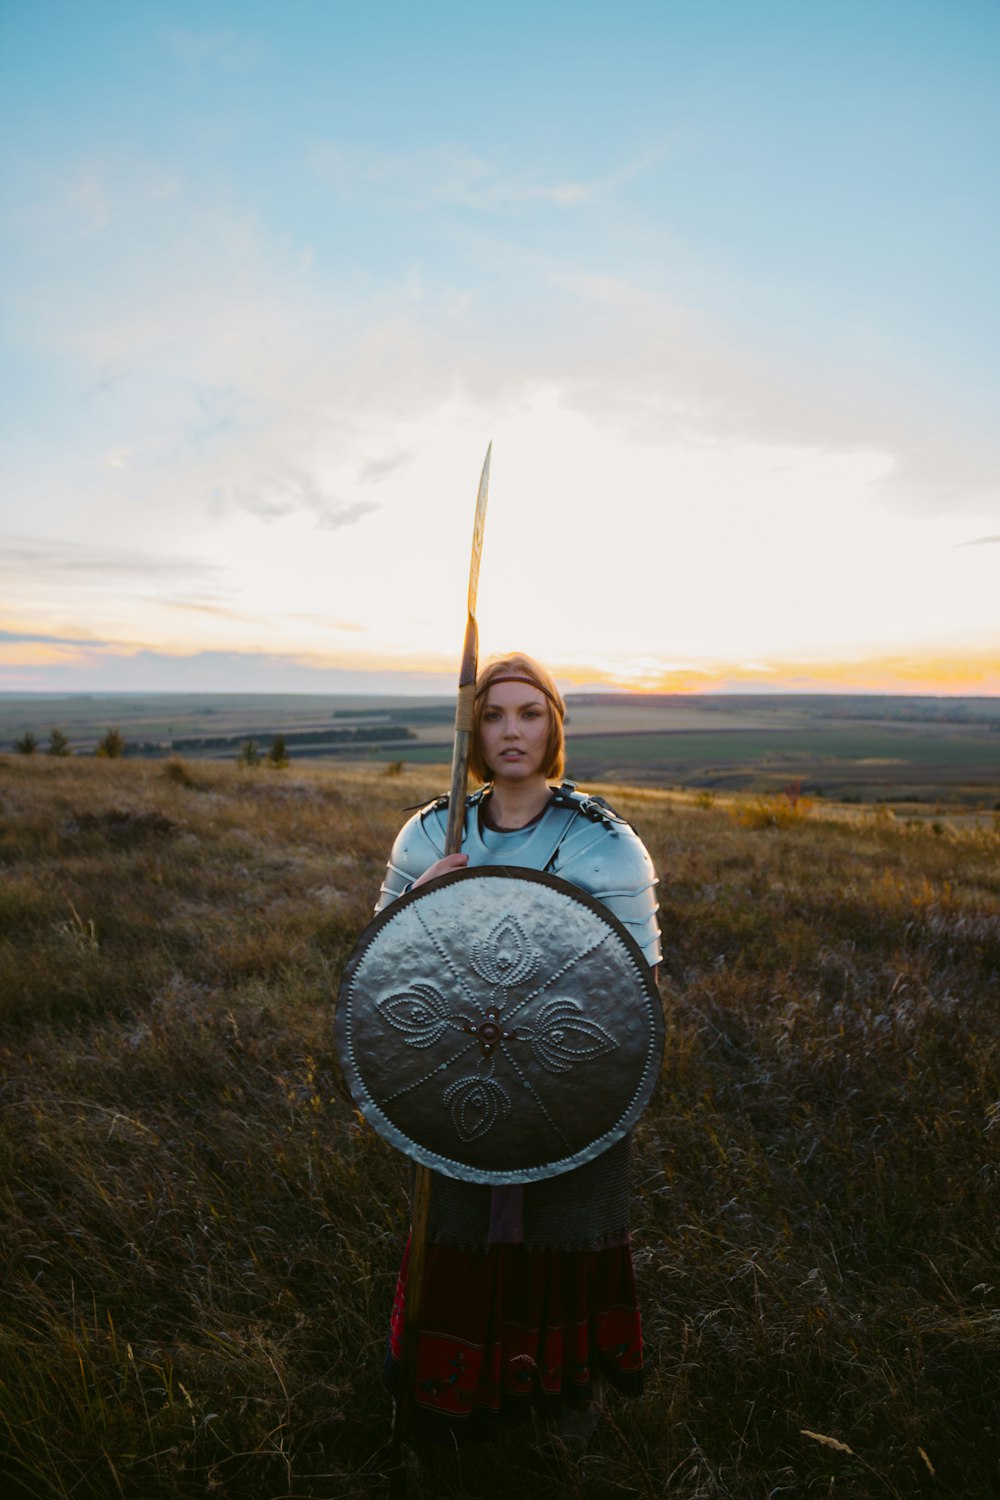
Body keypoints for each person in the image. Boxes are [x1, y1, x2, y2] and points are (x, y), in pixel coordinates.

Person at [376, 652, 661, 1447]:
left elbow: (636, 987)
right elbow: (380, 964)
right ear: (474, 728)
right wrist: (420, 901)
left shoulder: (604, 842)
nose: (511, 731)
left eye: (529, 713)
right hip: (456, 1072)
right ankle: (450, 1402)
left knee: (560, 1240)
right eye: (495, 714)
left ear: (553, 726)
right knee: (458, 1235)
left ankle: (557, 1414)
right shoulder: (433, 830)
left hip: (570, 1077)